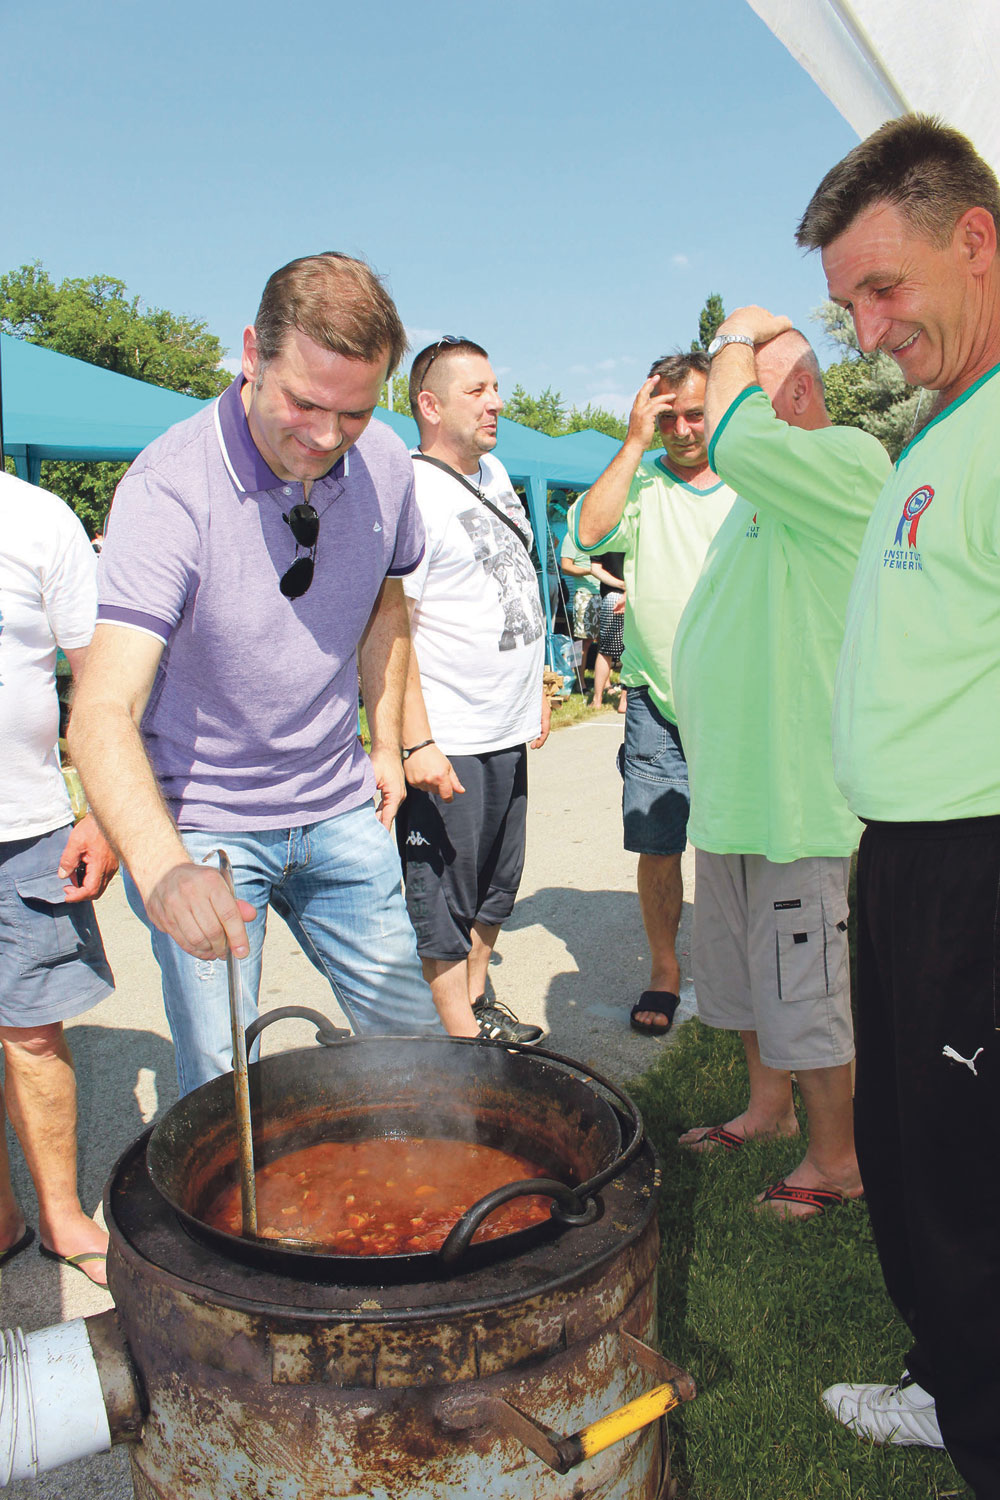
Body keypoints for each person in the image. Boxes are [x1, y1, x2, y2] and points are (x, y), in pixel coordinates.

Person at [69, 253, 441, 1098]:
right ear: (251, 354)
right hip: (207, 827)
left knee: (415, 1046)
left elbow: (386, 603)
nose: (326, 437)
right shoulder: (167, 488)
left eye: (354, 411)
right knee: (225, 1082)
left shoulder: (386, 463)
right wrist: (163, 867)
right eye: (303, 403)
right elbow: (101, 710)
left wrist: (385, 743)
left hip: (338, 805)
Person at [794, 116, 1000, 1494]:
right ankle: (956, 1384)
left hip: (976, 866)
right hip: (914, 862)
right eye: (849, 303)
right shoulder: (949, 418)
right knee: (918, 1158)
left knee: (965, 1176)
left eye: (884, 289)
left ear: (974, 240)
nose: (868, 332)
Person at [671, 313, 890, 1219]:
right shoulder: (760, 497)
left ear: (791, 392)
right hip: (736, 791)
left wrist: (736, 331)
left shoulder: (848, 460)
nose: (721, 417)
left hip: (796, 797)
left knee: (807, 985)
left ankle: (838, 1160)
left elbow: (732, 438)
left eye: (741, 392)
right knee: (746, 977)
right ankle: (768, 1110)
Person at [574, 353, 735, 1034]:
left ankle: (736, 970)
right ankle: (665, 969)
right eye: (668, 417)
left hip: (737, 700)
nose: (683, 429)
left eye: (696, 413)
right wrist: (633, 441)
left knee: (739, 845)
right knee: (659, 844)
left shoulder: (749, 480)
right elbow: (587, 534)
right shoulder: (638, 478)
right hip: (655, 701)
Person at [396, 337, 549, 1044]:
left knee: (497, 883)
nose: (496, 403)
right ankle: (460, 1045)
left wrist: (537, 687)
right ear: (430, 406)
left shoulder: (494, 472)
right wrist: (416, 742)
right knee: (446, 898)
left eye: (495, 387)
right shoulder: (410, 491)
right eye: (476, 391)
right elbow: (393, 630)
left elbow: (513, 585)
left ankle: (478, 1000)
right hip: (450, 737)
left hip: (506, 725)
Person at [0, 473, 118, 1286]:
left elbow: (101, 678)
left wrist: (104, 810)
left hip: (24, 825)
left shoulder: (37, 518)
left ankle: (62, 1216)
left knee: (33, 1032)